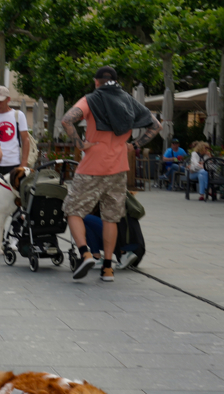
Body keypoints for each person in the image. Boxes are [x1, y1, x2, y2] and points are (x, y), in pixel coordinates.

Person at [62, 66, 159, 282]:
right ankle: (107, 268)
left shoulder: (90, 99)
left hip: (92, 166)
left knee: (72, 209)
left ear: (97, 82)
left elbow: (67, 120)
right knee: (111, 217)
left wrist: (80, 144)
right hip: (118, 167)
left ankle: (85, 253)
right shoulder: (129, 101)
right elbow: (156, 125)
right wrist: (134, 145)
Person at [0, 85, 31, 250]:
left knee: (17, 203)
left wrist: (23, 164)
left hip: (14, 165)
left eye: (0, 101)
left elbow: (25, 140)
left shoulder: (18, 115)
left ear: (8, 99)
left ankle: (14, 237)